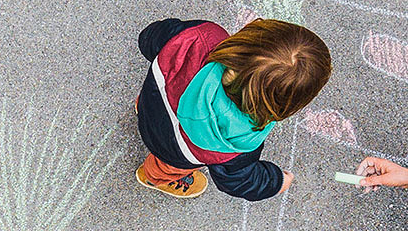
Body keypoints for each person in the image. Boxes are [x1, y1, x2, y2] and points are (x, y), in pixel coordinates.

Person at [134, 17, 331, 199]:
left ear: (250, 34)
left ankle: (139, 109)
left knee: (159, 97)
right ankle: (153, 177)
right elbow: (240, 180)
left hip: (151, 103)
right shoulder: (243, 138)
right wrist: (276, 181)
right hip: (172, 151)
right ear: (284, 107)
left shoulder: (201, 37)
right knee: (165, 167)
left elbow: (150, 38)